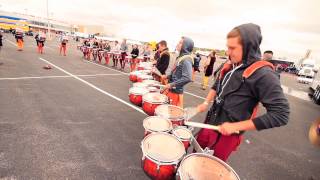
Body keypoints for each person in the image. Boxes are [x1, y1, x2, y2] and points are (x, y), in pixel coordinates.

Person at [196, 23, 290, 162]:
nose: (228, 52)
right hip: (210, 123)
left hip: (226, 136)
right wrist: (205, 102)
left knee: (208, 169)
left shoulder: (264, 74)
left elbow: (281, 114)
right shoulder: (231, 64)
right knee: (195, 158)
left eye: (232, 48)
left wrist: (236, 126)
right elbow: (218, 84)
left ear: (248, 47)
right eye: (228, 47)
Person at [162, 37, 194, 108]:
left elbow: (187, 78)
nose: (177, 44)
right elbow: (176, 73)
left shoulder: (186, 59)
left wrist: (172, 84)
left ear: (186, 46)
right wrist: (167, 77)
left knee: (170, 116)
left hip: (175, 93)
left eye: (180, 43)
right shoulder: (181, 57)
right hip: (171, 90)